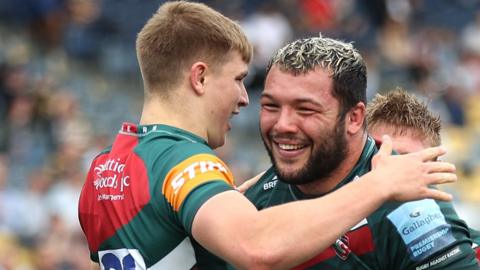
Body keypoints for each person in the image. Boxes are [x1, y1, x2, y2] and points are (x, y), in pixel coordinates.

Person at [77, 2, 458, 270]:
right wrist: (379, 185)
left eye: (303, 109)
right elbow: (257, 247)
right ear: (200, 77)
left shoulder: (103, 169)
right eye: (240, 80)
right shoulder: (188, 167)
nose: (244, 98)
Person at [244, 36, 479, 269]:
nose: (283, 124)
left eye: (306, 109)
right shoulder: (252, 201)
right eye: (271, 106)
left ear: (354, 119)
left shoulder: (414, 212)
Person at [366, 88, 480, 263]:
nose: (389, 169)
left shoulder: (472, 254)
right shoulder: (320, 237)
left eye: (405, 158)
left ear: (436, 171)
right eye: (379, 154)